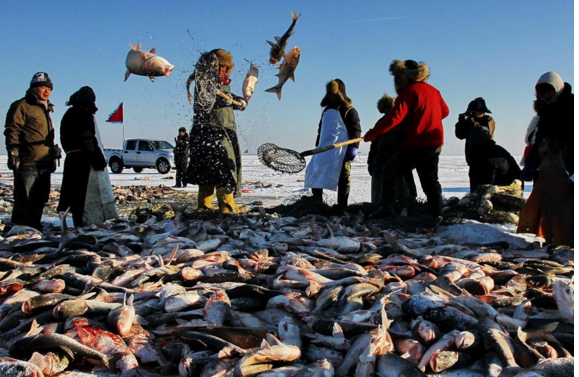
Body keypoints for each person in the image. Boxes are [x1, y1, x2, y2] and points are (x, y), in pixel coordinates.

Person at [364, 60, 449, 218]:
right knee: (430, 180)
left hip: (417, 142)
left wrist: (373, 133)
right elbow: (445, 111)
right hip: (435, 143)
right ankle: (436, 214)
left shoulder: (409, 92)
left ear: (405, 76)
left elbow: (394, 118)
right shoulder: (434, 91)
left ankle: (386, 209)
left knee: (390, 170)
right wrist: (425, 118)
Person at [186, 49, 248, 213]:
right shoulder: (203, 83)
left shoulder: (224, 85)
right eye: (219, 66)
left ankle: (225, 204)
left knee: (220, 170)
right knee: (217, 172)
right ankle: (217, 207)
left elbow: (231, 98)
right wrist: (227, 101)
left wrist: (240, 101)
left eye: (224, 67)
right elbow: (208, 101)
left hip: (224, 133)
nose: (221, 70)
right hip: (209, 134)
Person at [517, 72, 573, 247]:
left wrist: (564, 142)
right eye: (543, 92)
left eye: (549, 91)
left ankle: (568, 244)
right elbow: (540, 137)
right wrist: (532, 161)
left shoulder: (572, 104)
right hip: (548, 165)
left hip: (568, 164)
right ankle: (551, 242)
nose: (547, 95)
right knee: (548, 206)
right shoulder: (545, 109)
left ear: (557, 88)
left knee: (567, 207)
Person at [4, 72, 60, 230]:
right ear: (33, 88)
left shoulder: (46, 108)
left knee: (40, 198)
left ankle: (34, 227)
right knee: (24, 199)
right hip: (27, 161)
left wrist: (53, 153)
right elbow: (12, 130)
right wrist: (13, 152)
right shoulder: (22, 106)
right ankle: (20, 229)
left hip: (44, 162)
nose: (46, 91)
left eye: (49, 88)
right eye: (42, 87)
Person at [57, 86, 118, 227]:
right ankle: (79, 222)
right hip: (81, 157)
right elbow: (88, 138)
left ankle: (64, 218)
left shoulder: (69, 112)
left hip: (71, 156)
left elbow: (65, 137)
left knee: (68, 190)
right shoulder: (83, 113)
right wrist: (96, 157)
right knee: (79, 193)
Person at [304, 79, 361, 210]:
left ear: (340, 93)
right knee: (314, 173)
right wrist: (318, 144)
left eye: (333, 93)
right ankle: (317, 201)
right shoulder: (326, 110)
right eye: (329, 93)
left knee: (343, 177)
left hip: (340, 150)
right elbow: (321, 129)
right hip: (323, 150)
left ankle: (342, 205)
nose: (331, 96)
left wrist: (353, 148)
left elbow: (356, 130)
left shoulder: (349, 110)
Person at [455, 97, 521, 192]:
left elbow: (484, 133)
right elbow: (460, 135)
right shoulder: (468, 122)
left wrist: (474, 125)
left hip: (486, 157)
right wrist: (462, 122)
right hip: (474, 159)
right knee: (475, 190)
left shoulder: (488, 120)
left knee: (485, 190)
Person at [367, 94, 417, 209]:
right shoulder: (381, 123)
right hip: (381, 164)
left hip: (399, 162)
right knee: (381, 194)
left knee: (403, 193)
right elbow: (374, 145)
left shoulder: (402, 122)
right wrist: (371, 163)